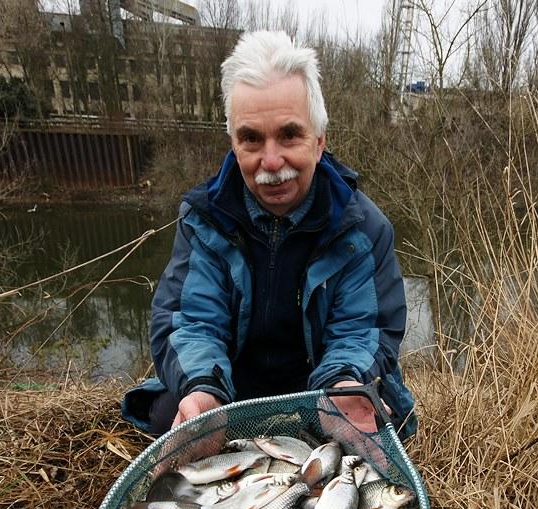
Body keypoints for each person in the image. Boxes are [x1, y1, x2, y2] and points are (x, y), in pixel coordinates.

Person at [122, 30, 416, 438]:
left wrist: (346, 385)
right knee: (170, 413)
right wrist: (203, 390)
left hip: (321, 385)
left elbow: (361, 330)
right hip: (234, 388)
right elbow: (193, 322)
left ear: (318, 141)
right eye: (252, 139)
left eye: (289, 134)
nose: (272, 161)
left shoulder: (364, 229)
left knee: (369, 420)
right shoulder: (204, 219)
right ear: (233, 144)